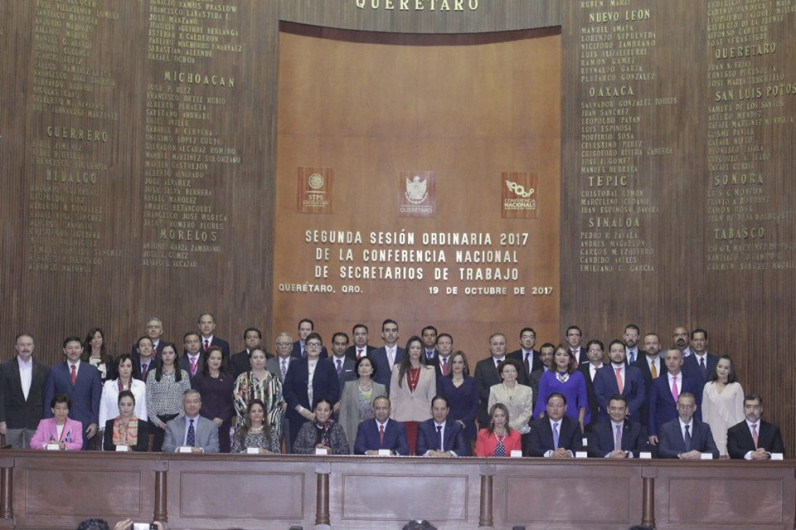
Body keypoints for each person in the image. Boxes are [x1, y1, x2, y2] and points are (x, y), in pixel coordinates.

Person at [283, 332, 340, 451]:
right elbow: (287, 390)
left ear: (321, 348)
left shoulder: (329, 365)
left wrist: (321, 411)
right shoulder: (295, 365)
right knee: (298, 450)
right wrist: (301, 410)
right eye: (310, 344)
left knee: (322, 450)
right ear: (305, 347)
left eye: (317, 344)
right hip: (298, 415)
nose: (313, 347)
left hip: (323, 417)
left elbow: (334, 391)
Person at [43, 336, 102, 450]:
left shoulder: (92, 371)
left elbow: (96, 399)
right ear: (64, 350)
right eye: (70, 348)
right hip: (59, 422)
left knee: (82, 460)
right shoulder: (54, 371)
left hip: (85, 424)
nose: (73, 351)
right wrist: (47, 424)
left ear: (82, 350)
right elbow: (48, 399)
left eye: (76, 348)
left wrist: (94, 422)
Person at [0, 333, 49, 448]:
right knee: (12, 459)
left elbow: (46, 397)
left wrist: (46, 422)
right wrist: (1, 420)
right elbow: (1, 395)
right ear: (16, 347)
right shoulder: (4, 368)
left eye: (28, 345)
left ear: (33, 347)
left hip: (35, 422)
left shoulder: (44, 369)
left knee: (33, 460)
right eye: (22, 345)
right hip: (12, 423)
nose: (25, 348)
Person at [389, 335, 436, 454]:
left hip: (423, 417)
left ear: (422, 351)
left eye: (418, 348)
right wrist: (391, 417)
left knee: (420, 452)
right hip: (401, 417)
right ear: (408, 350)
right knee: (403, 452)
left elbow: (432, 397)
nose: (415, 350)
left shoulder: (430, 370)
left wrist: (432, 418)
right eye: (412, 347)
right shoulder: (397, 369)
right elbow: (393, 395)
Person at [648, 348, 702, 448]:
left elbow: (697, 408)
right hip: (663, 430)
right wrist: (652, 432)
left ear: (681, 361)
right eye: (668, 358)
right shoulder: (657, 383)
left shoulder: (691, 382)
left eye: (675, 358)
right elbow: (652, 409)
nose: (671, 361)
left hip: (686, 429)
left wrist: (698, 431)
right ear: (665, 361)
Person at [233, 346, 285, 446]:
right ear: (250, 360)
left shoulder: (274, 379)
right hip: (247, 424)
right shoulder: (242, 379)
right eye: (255, 357)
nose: (258, 360)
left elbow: (279, 402)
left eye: (261, 357)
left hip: (271, 424)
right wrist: (251, 417)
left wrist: (268, 418)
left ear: (266, 360)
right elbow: (237, 401)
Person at [146, 343, 191, 452]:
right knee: (156, 454)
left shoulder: (183, 374)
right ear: (160, 356)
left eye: (170, 353)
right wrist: (157, 421)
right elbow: (148, 399)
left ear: (175, 355)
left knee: (176, 453)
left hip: (177, 420)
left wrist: (176, 420)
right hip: (157, 422)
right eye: (164, 353)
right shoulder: (152, 374)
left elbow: (187, 399)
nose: (167, 356)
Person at [533, 344, 589, 432]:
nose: (562, 357)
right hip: (550, 418)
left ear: (570, 359)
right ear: (554, 358)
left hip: (572, 418)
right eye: (559, 355)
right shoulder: (546, 375)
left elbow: (583, 400)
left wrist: (581, 421)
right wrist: (543, 423)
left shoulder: (578, 375)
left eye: (565, 355)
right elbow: (541, 400)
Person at [338, 356, 386, 454]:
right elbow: (343, 413)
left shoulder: (381, 388)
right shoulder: (349, 386)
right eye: (361, 365)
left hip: (375, 431)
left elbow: (384, 413)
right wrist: (343, 436)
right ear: (357, 369)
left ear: (372, 369)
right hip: (353, 431)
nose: (364, 368)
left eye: (367, 365)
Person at [192, 346, 235, 453]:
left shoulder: (229, 378)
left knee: (223, 453)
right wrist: (212, 418)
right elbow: (196, 401)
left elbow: (232, 401)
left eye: (218, 358)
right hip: (204, 422)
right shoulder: (199, 378)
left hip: (223, 423)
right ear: (207, 359)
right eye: (212, 358)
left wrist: (221, 418)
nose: (216, 361)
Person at [701, 355, 744, 457]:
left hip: (730, 432)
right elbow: (705, 413)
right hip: (712, 431)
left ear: (730, 370)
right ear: (716, 367)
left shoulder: (736, 387)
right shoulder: (708, 386)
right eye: (720, 366)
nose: (722, 370)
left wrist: (739, 436)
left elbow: (740, 415)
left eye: (726, 368)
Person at [593, 339, 646, 424]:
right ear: (609, 354)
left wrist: (626, 410)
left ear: (625, 354)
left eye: (621, 351)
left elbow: (641, 395)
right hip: (607, 419)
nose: (617, 354)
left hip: (631, 418)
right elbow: (598, 395)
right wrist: (613, 410)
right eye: (614, 351)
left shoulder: (636, 372)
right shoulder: (601, 373)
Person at [98, 353, 147, 439]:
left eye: (128, 366)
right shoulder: (108, 385)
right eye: (122, 366)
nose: (125, 369)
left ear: (132, 368)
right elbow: (103, 408)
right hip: (112, 428)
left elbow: (143, 410)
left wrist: (142, 428)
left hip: (135, 429)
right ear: (117, 368)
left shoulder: (141, 385)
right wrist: (103, 427)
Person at [657, 392, 719, 459]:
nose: (685, 409)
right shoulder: (667, 428)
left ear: (694, 408)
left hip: (697, 468)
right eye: (682, 406)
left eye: (688, 406)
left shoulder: (704, 428)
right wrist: (680, 455)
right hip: (675, 468)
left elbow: (715, 453)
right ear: (677, 407)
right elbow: (662, 451)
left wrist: (701, 455)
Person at [437, 350, 479, 445]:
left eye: (460, 362)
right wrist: (451, 422)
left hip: (467, 426)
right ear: (450, 364)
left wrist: (464, 421)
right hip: (447, 425)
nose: (457, 365)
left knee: (468, 457)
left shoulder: (472, 381)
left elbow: (475, 404)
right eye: (454, 362)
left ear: (464, 365)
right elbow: (440, 403)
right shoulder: (442, 380)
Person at [727, 394, 785, 460]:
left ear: (761, 409)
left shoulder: (773, 430)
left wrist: (767, 454)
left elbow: (780, 451)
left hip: (767, 469)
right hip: (744, 469)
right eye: (748, 407)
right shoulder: (734, 431)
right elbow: (733, 451)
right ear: (743, 409)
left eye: (755, 407)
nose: (751, 411)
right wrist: (751, 454)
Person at [526, 393, 584, 458]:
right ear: (546, 407)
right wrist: (551, 454)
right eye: (551, 406)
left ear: (565, 408)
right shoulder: (536, 425)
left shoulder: (574, 425)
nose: (555, 409)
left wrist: (568, 454)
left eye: (559, 406)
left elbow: (579, 448)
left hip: (567, 465)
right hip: (544, 465)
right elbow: (532, 449)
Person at [487, 358, 533, 434]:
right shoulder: (494, 389)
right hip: (500, 431)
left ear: (517, 374)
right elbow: (491, 410)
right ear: (502, 374)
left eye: (513, 371)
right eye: (507, 371)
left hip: (521, 431)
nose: (510, 373)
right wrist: (503, 425)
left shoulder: (527, 390)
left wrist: (512, 426)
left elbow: (527, 412)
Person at [474, 332, 509, 428]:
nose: (498, 347)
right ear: (490, 346)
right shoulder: (481, 365)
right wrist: (497, 398)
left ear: (506, 346)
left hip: (511, 414)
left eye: (501, 344)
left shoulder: (515, 364)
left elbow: (520, 387)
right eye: (495, 344)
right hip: (487, 414)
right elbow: (479, 389)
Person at [370, 319, 405, 392]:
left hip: (401, 395)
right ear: (382, 334)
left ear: (398, 334)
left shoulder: (405, 354)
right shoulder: (374, 354)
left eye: (394, 330)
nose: (391, 333)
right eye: (387, 330)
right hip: (379, 395)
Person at [577, 339, 604, 429]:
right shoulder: (579, 371)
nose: (595, 353)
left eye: (598, 350)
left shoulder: (610, 369)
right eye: (592, 350)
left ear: (603, 352)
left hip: (606, 415)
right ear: (587, 354)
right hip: (586, 416)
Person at [529, 342, 555, 411]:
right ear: (540, 357)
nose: (547, 357)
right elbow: (535, 398)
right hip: (542, 413)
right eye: (544, 355)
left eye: (550, 354)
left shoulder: (563, 373)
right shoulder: (534, 375)